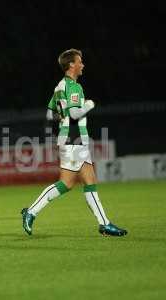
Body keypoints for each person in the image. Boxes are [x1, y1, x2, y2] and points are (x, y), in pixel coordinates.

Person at [21, 49, 127, 237]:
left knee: (89, 180)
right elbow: (74, 114)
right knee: (66, 184)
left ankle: (104, 224)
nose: (83, 65)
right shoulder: (73, 87)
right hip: (73, 138)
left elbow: (49, 114)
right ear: (71, 65)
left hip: (72, 138)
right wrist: (89, 104)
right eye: (80, 61)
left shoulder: (59, 86)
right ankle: (31, 211)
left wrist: (62, 118)